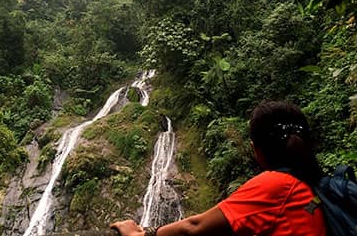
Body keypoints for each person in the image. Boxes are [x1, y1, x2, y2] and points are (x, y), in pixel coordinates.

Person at [111, 100, 327, 236]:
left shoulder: (277, 185)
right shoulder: (313, 183)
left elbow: (194, 227)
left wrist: (139, 234)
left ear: (255, 148)